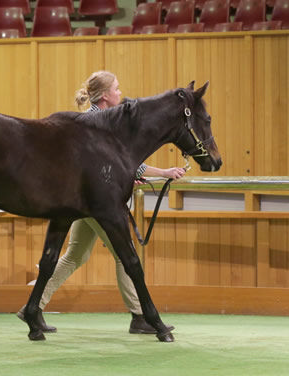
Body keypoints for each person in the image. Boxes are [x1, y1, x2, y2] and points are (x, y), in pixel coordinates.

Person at [18, 71, 185, 334]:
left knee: (75, 255)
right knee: (124, 254)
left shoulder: (92, 119)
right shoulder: (100, 122)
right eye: (116, 89)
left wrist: (120, 177)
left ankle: (35, 305)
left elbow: (115, 164)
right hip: (95, 202)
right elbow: (119, 160)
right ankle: (140, 315)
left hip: (83, 199)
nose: (121, 93)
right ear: (105, 95)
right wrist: (164, 173)